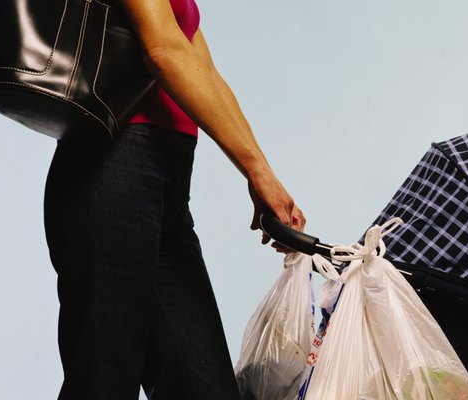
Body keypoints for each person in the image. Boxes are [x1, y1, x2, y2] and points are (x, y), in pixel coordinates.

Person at [42, 0, 304, 398]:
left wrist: (261, 172)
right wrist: (256, 171)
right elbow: (163, 52)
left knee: (205, 389)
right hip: (113, 168)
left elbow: (205, 73)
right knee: (103, 383)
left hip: (166, 184)